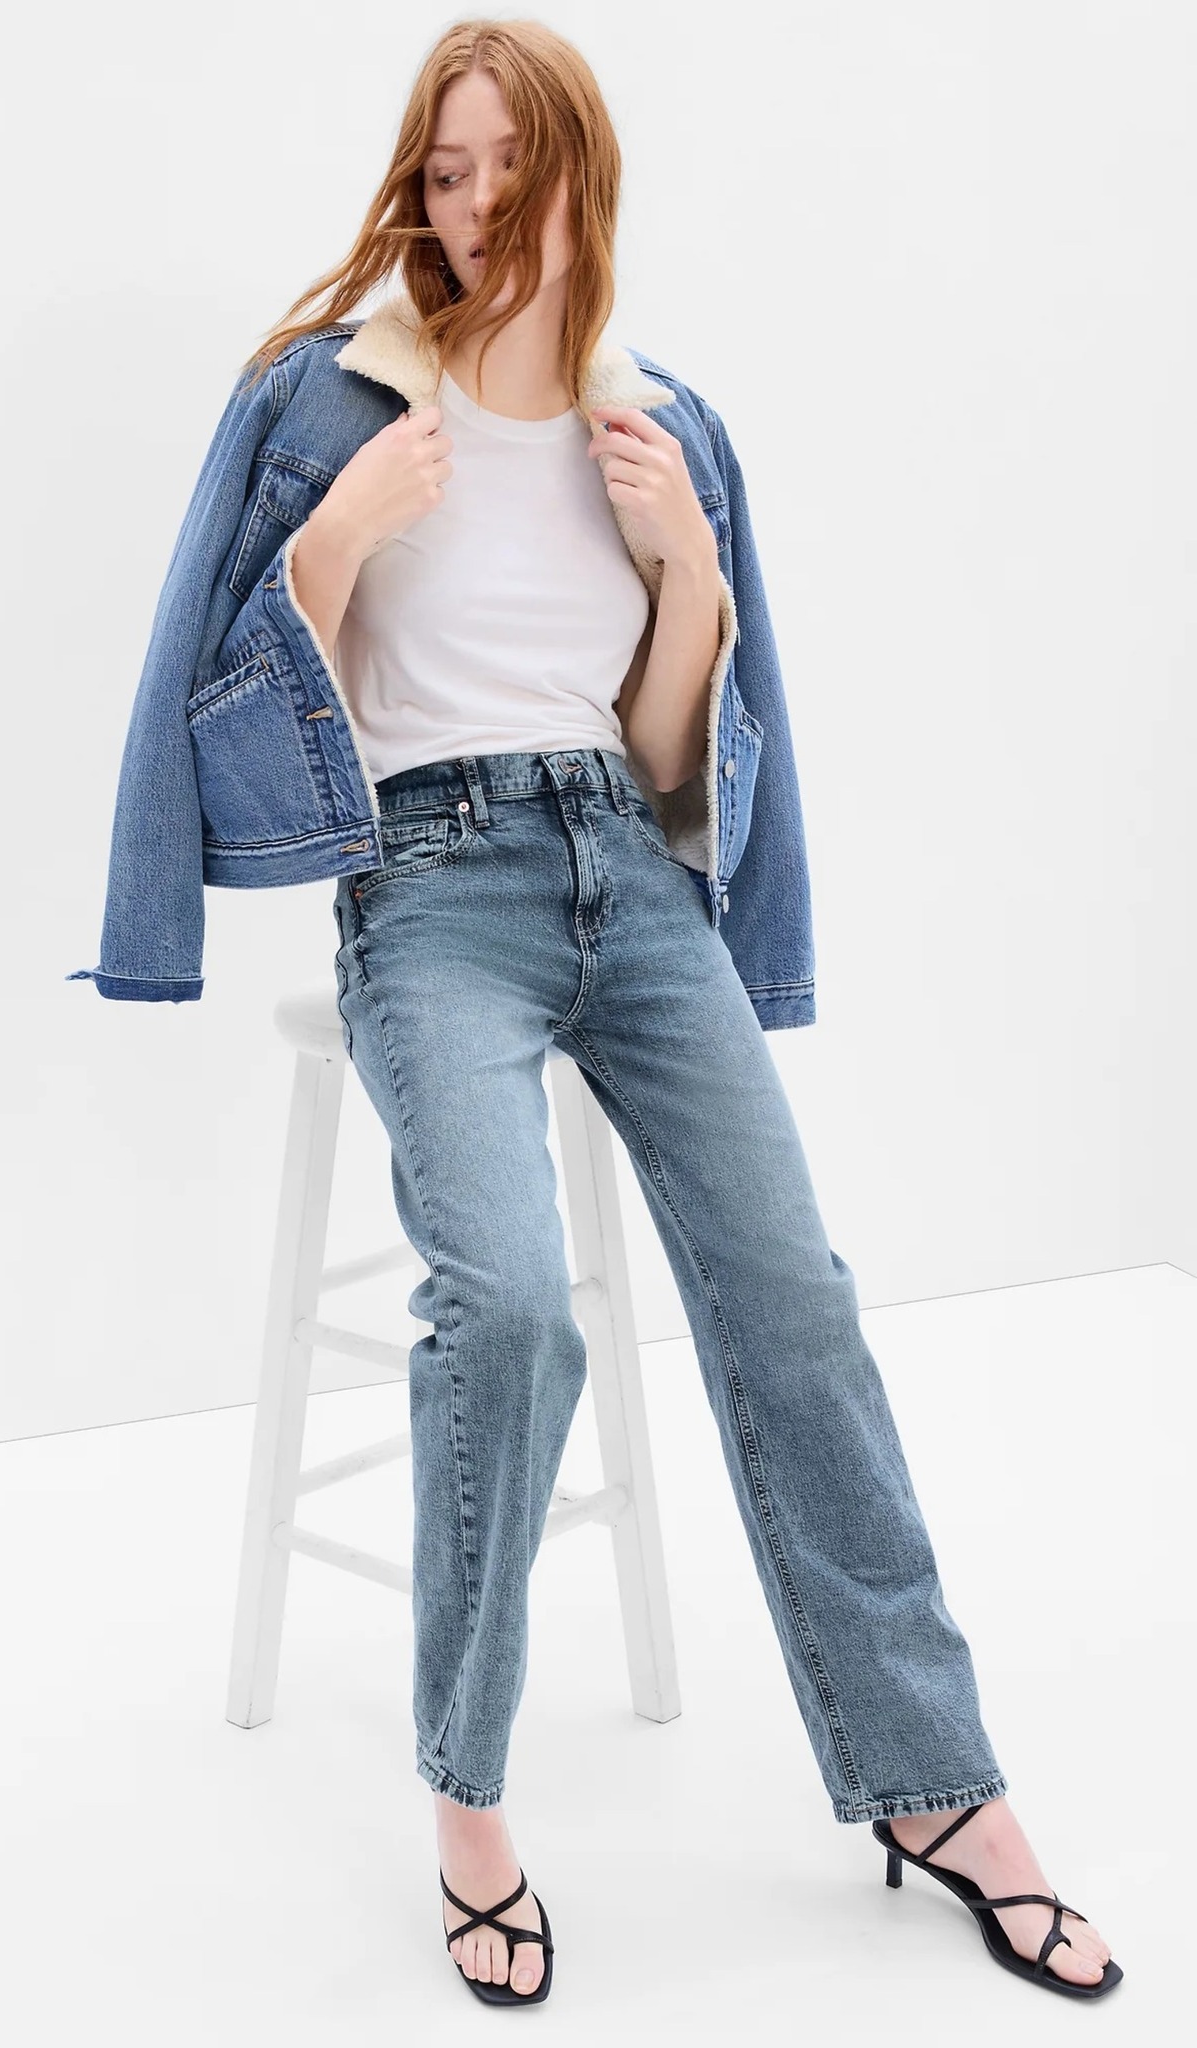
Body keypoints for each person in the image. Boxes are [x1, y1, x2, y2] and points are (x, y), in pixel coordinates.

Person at [86, 15, 1122, 2009]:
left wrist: (693, 578)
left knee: (796, 1297)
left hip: (626, 877)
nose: (476, 205)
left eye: (509, 167)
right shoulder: (327, 399)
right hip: (428, 885)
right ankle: (470, 1807)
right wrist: (335, 538)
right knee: (515, 1307)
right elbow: (214, 712)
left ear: (584, 176)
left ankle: (936, 1784)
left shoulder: (671, 430)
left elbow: (668, 761)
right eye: (446, 168)